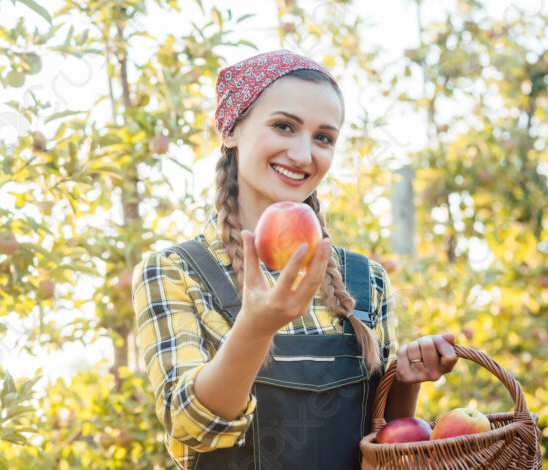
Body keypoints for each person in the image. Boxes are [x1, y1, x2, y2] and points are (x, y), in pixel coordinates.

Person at [132, 49, 459, 470]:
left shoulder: (366, 279)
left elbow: (385, 442)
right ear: (230, 130)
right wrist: (255, 327)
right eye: (284, 126)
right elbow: (192, 426)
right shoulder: (177, 272)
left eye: (324, 137)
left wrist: (405, 382)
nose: (304, 155)